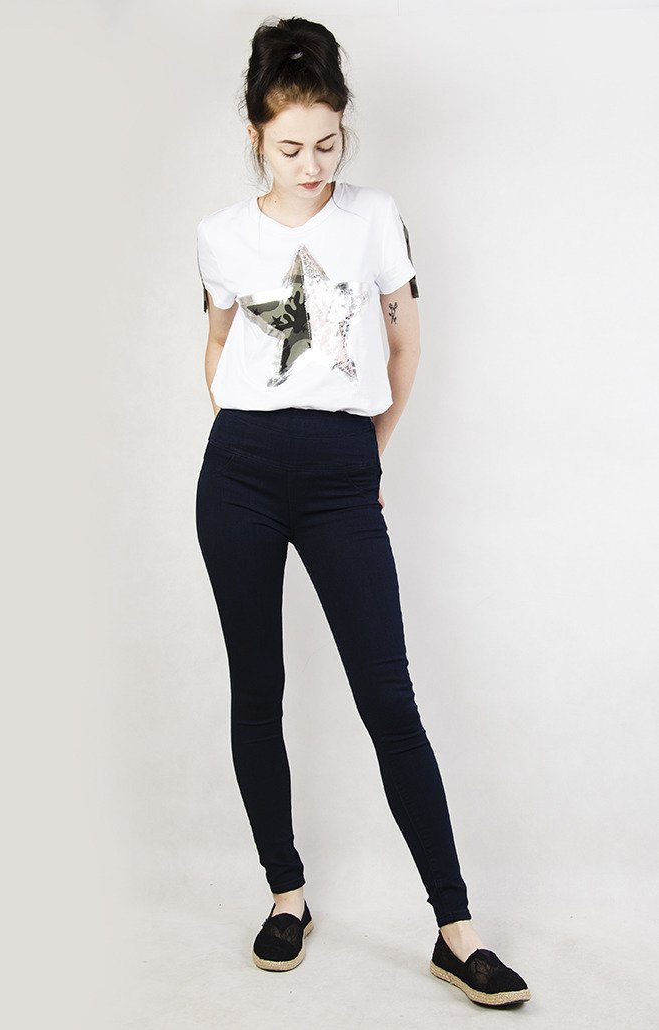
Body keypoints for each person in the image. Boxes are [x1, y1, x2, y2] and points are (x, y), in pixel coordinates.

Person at [194, 15, 531, 1008]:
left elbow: (408, 346)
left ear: (346, 128)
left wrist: (361, 455)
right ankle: (286, 895)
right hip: (239, 473)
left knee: (389, 697)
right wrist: (247, 443)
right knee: (257, 689)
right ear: (255, 136)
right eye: (290, 147)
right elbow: (216, 347)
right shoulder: (221, 236)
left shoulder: (376, 218)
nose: (312, 166)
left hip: (342, 470)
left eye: (328, 143)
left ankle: (456, 930)